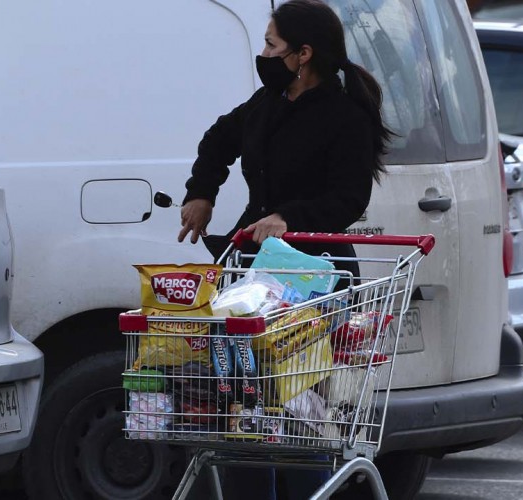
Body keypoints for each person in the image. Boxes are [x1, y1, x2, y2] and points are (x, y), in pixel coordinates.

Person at [177, 1, 393, 497]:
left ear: (303, 54)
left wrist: (289, 219)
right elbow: (218, 140)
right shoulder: (268, 102)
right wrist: (201, 193)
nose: (264, 54)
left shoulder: (344, 117)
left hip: (313, 278)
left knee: (299, 415)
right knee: (244, 409)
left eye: (272, 45)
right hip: (253, 273)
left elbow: (348, 198)